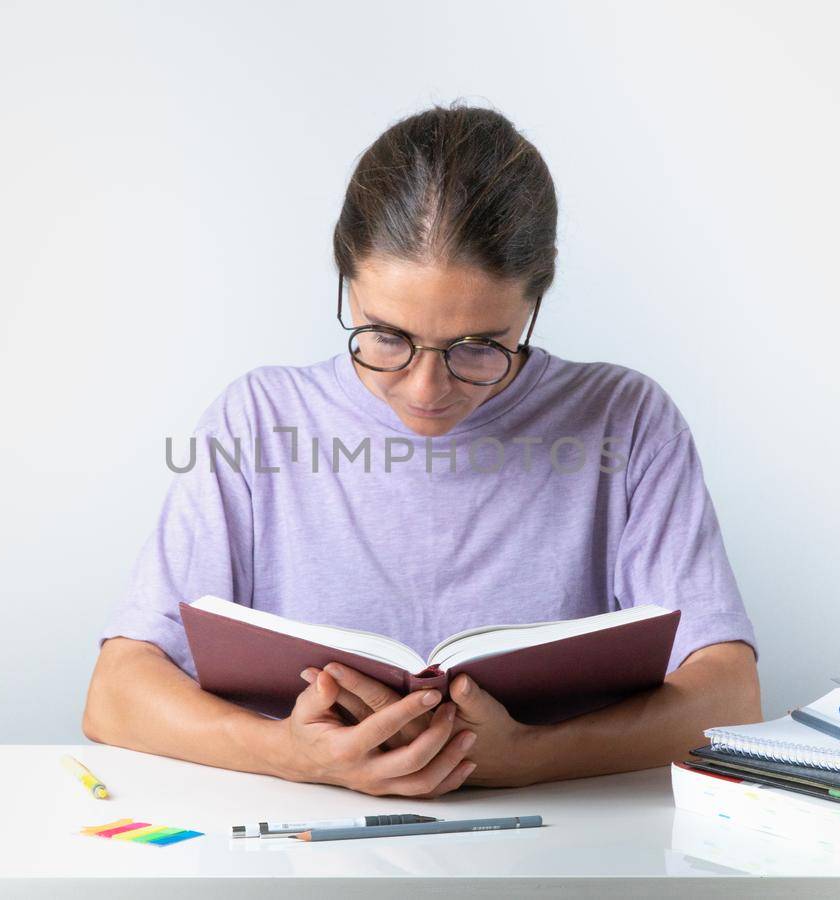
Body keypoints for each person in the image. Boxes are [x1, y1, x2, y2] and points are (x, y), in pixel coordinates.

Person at [83, 102, 761, 798]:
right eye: (386, 336)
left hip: (559, 848)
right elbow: (116, 693)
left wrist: (529, 757)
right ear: (347, 281)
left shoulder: (626, 420)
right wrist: (295, 755)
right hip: (300, 847)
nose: (425, 389)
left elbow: (728, 699)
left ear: (533, 301)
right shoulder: (257, 419)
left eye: (478, 347)